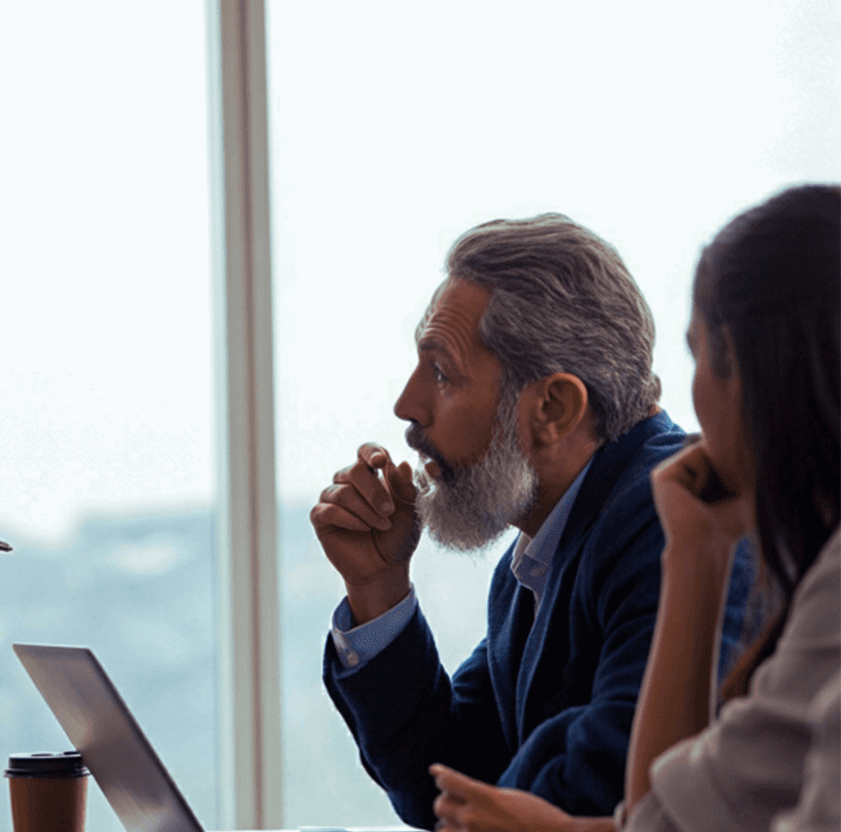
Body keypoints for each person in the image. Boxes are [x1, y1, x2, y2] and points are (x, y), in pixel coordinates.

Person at [308, 214, 753, 828]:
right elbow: (441, 788)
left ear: (553, 407)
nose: (407, 406)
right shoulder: (539, 552)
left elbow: (613, 792)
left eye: (441, 373)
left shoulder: (668, 521)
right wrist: (378, 587)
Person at [429, 185, 841, 831]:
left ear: (760, 375)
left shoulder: (648, 515)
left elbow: (654, 812)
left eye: (699, 354)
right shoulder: (528, 563)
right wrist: (377, 590)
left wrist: (694, 553)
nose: (408, 405)